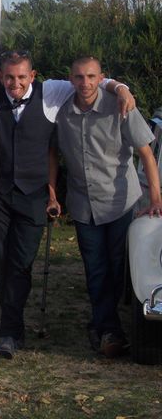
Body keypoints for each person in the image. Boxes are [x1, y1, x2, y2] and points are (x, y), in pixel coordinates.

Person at [0, 50, 135, 359]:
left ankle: (9, 332)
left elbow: (91, 80)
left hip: (33, 194)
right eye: (8, 76)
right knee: (1, 261)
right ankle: (12, 327)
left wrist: (121, 88)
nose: (14, 83)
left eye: (21, 76)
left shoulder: (52, 91)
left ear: (33, 76)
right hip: (0, 194)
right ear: (0, 76)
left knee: (20, 263)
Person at [52, 56, 162, 358]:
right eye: (78, 77)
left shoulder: (121, 105)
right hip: (83, 203)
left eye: (91, 77)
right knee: (95, 268)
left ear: (102, 78)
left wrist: (155, 199)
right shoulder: (60, 110)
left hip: (120, 202)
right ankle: (109, 330)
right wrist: (52, 192)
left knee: (117, 268)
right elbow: (51, 151)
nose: (85, 83)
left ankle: (105, 325)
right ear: (70, 79)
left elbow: (146, 154)